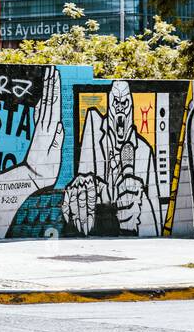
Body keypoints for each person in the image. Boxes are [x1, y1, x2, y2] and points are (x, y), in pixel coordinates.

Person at [62, 80, 160, 236]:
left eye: (125, 102)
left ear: (132, 108)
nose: (120, 107)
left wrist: (141, 206)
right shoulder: (94, 135)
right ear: (109, 106)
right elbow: (84, 186)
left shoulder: (144, 150)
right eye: (116, 102)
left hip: (129, 230)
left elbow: (155, 215)